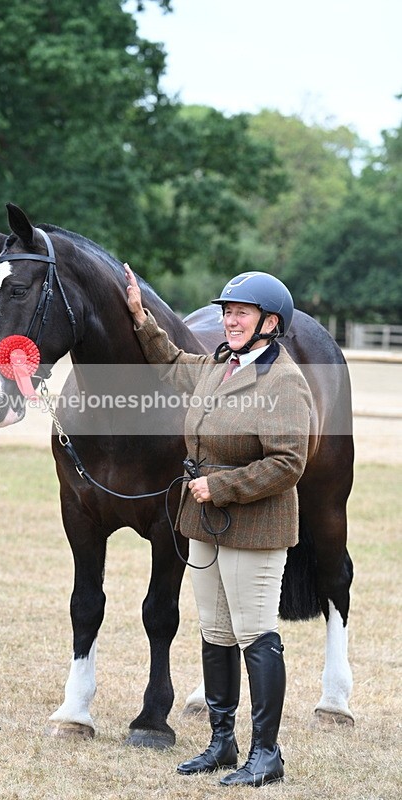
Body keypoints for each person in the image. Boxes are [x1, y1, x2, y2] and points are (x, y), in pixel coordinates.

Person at [124, 265, 312, 788]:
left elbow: (288, 463)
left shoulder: (284, 382)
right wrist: (140, 316)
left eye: (241, 313)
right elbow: (172, 363)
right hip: (204, 523)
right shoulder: (220, 364)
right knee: (216, 631)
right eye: (227, 312)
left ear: (270, 322)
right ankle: (222, 741)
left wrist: (220, 487)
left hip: (256, 525)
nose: (229, 320)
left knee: (255, 634)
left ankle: (267, 754)